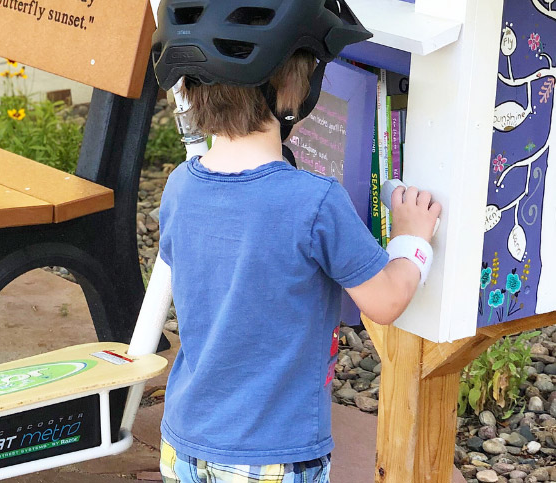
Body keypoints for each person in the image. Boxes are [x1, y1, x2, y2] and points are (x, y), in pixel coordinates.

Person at [149, 1, 442, 482]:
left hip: (183, 445)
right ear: (290, 88)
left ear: (185, 82)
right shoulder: (315, 202)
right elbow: (387, 301)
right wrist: (412, 238)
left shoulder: (180, 185)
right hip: (270, 457)